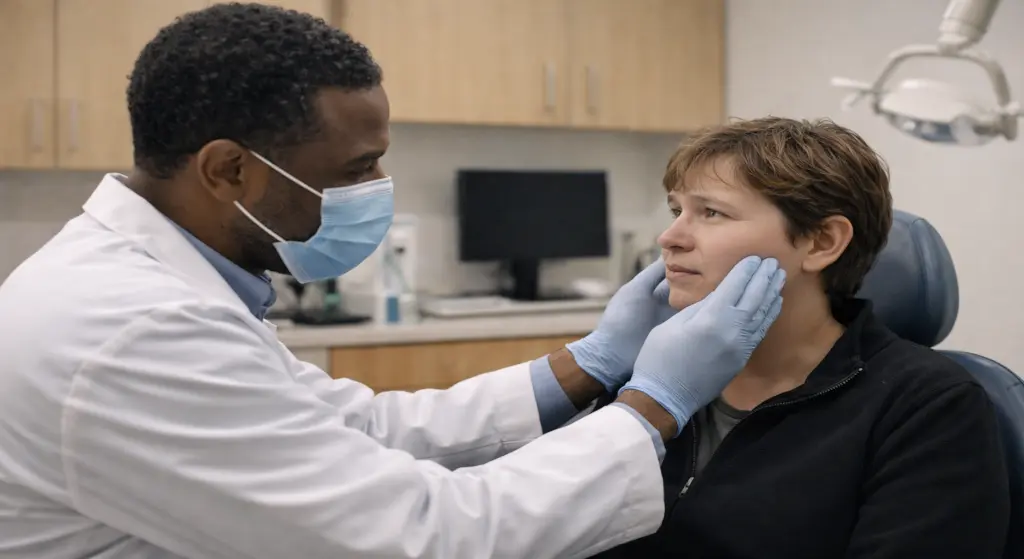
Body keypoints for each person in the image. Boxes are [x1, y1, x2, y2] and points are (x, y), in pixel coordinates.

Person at [0, 4, 787, 559]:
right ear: (228, 170)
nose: (379, 186)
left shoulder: (167, 290)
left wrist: (594, 361)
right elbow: (430, 534)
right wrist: (653, 404)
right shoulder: (129, 329)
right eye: (355, 169)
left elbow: (362, 432)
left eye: (711, 212)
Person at [590, 116, 1011, 558]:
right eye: (678, 211)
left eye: (711, 212)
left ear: (822, 242)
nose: (669, 237)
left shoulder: (928, 407)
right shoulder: (647, 380)